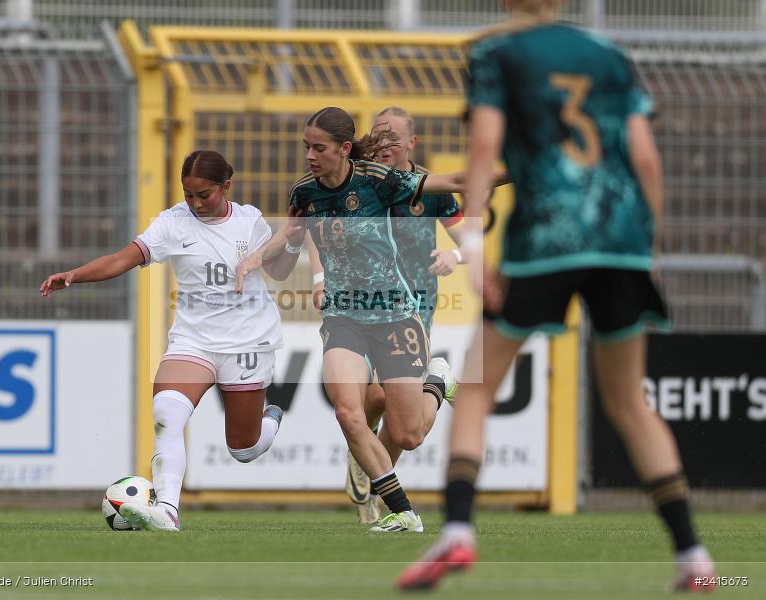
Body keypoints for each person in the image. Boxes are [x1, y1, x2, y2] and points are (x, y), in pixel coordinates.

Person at [397, 0, 714, 591]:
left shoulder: (496, 54)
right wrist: (650, 250)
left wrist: (473, 239)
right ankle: (694, 557)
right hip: (620, 239)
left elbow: (485, 150)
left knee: (477, 385)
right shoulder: (611, 57)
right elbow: (645, 157)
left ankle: (459, 532)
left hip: (547, 238)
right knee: (629, 402)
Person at [237, 106, 478, 533]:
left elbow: (457, 182)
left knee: (408, 434)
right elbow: (292, 232)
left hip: (395, 314)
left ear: (344, 149)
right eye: (306, 147)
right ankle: (403, 511)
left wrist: (522, 170)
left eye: (319, 148)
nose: (310, 155)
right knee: (349, 412)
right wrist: (257, 258)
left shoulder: (379, 182)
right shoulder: (305, 192)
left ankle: (435, 383)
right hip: (343, 316)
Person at [39, 150, 302, 532]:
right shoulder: (172, 223)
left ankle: (272, 419)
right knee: (167, 413)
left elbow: (279, 270)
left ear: (226, 186)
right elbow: (122, 259)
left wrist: (292, 241)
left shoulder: (250, 221)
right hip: (193, 341)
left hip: (248, 341)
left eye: (204, 195)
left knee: (244, 449)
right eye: (188, 194)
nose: (194, 203)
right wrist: (75, 275)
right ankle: (167, 509)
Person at [306, 106, 481, 525]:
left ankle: (374, 467)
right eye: (378, 136)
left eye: (393, 138)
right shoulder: (357, 178)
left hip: (412, 305)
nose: (385, 145)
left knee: (390, 405)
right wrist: (318, 276)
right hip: (356, 303)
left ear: (412, 144)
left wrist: (454, 255)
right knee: (362, 399)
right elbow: (315, 225)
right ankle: (369, 463)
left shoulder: (429, 189)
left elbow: (473, 240)